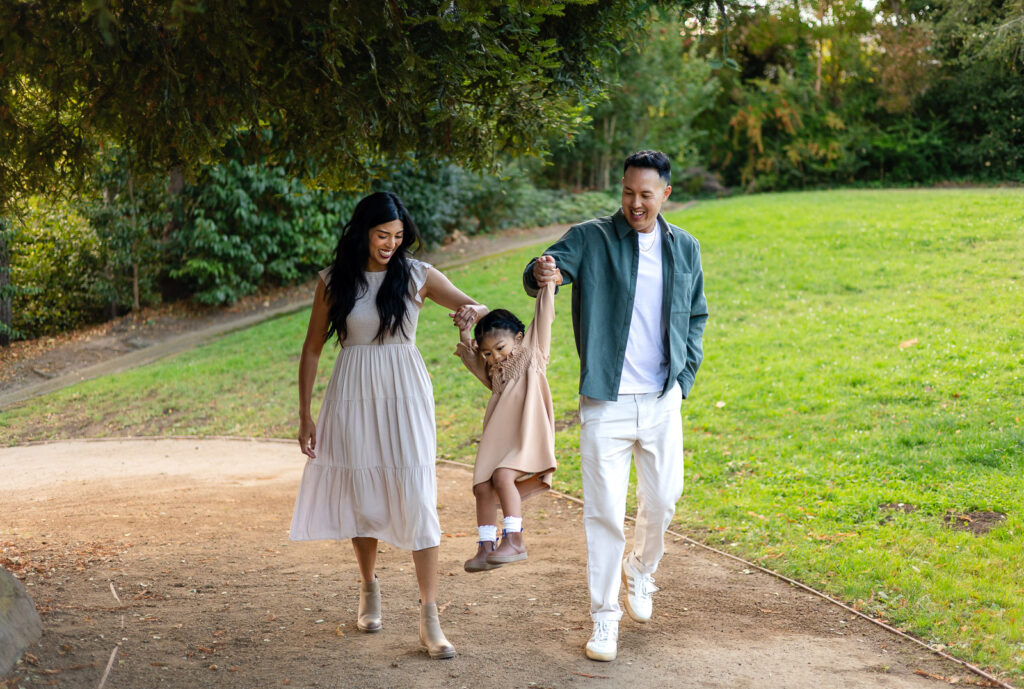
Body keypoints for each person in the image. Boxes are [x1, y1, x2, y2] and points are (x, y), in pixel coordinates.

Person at [522, 151, 708, 662]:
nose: (635, 203)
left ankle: (641, 568)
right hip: (606, 403)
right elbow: (544, 270)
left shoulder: (685, 247)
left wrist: (683, 378)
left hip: (662, 399)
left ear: (665, 194)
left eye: (646, 194)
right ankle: (604, 618)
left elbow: (696, 314)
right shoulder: (592, 238)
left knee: (665, 499)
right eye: (628, 192)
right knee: (604, 515)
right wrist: (543, 271)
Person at [290, 191, 487, 660]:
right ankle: (368, 587)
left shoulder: (418, 274)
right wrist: (304, 414)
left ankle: (429, 616)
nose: (391, 245)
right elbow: (312, 348)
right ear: (363, 231)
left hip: (406, 393)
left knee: (418, 495)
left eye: (398, 236)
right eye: (382, 235)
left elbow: (476, 307)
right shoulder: (335, 280)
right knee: (363, 493)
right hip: (352, 393)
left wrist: (472, 314)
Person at [454, 281, 558, 572]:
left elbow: (544, 314)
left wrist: (547, 283)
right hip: (498, 438)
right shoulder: (494, 372)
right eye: (488, 353)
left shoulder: (532, 353)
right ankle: (486, 546)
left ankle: (515, 539)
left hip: (526, 433)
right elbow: (472, 359)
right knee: (482, 486)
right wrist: (464, 331)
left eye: (499, 348)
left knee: (502, 476)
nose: (495, 357)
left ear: (519, 338)